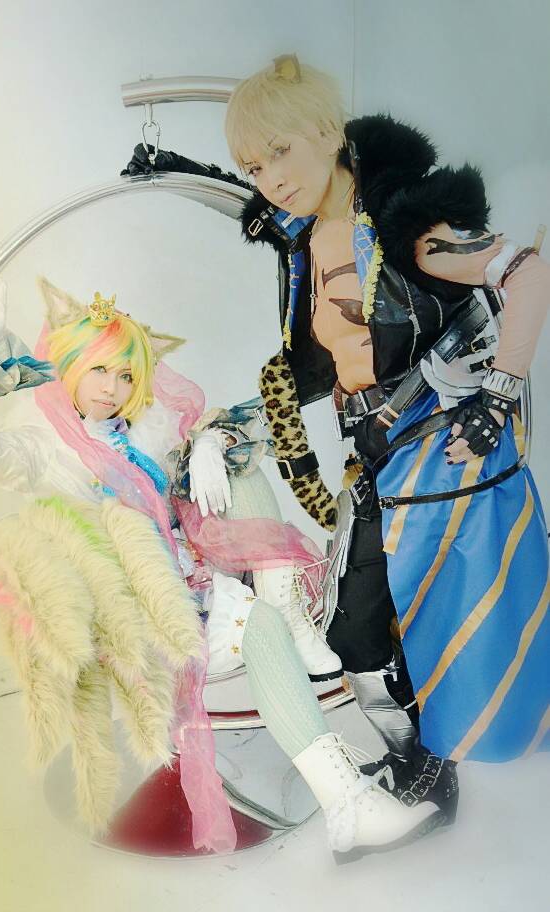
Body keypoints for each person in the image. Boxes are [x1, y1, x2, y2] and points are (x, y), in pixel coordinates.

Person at [0, 275, 438, 857]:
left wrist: (207, 445)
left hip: (190, 573)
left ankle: (293, 638)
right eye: (99, 369)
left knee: (233, 463)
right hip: (137, 608)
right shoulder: (45, 449)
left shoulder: (141, 429)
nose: (111, 388)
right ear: (70, 364)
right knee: (259, 625)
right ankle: (346, 803)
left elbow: (221, 439)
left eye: (125, 375)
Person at [220, 54, 550, 831]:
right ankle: (417, 762)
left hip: (439, 456)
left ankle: (431, 767)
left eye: (279, 151)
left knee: (420, 616)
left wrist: (496, 397)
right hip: (378, 457)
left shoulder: (403, 224)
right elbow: (327, 360)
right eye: (252, 166)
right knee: (357, 627)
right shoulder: (305, 241)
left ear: (325, 131)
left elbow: (528, 274)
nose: (269, 178)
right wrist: (238, 417)